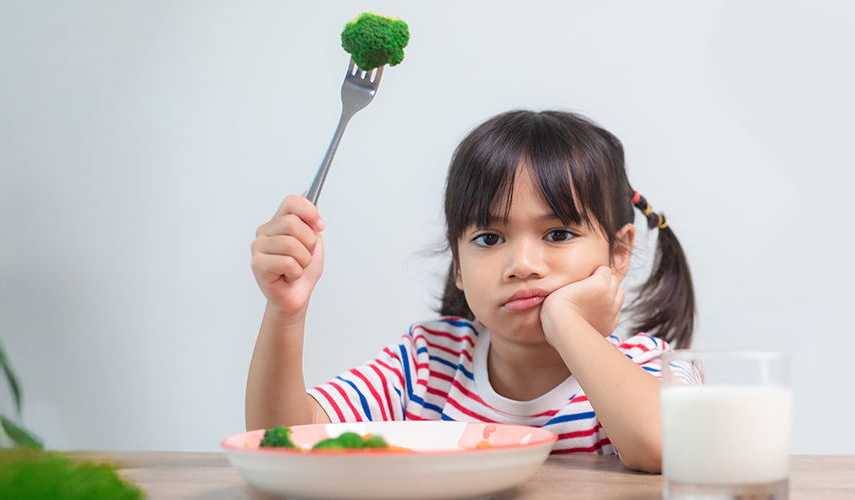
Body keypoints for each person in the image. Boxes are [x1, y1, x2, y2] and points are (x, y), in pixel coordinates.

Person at [242, 110, 696, 472]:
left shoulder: (646, 367)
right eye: (489, 239)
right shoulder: (426, 364)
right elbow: (285, 440)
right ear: (458, 264)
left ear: (619, 253)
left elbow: (666, 447)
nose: (522, 265)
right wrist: (286, 313)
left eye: (557, 234)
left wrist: (566, 323)